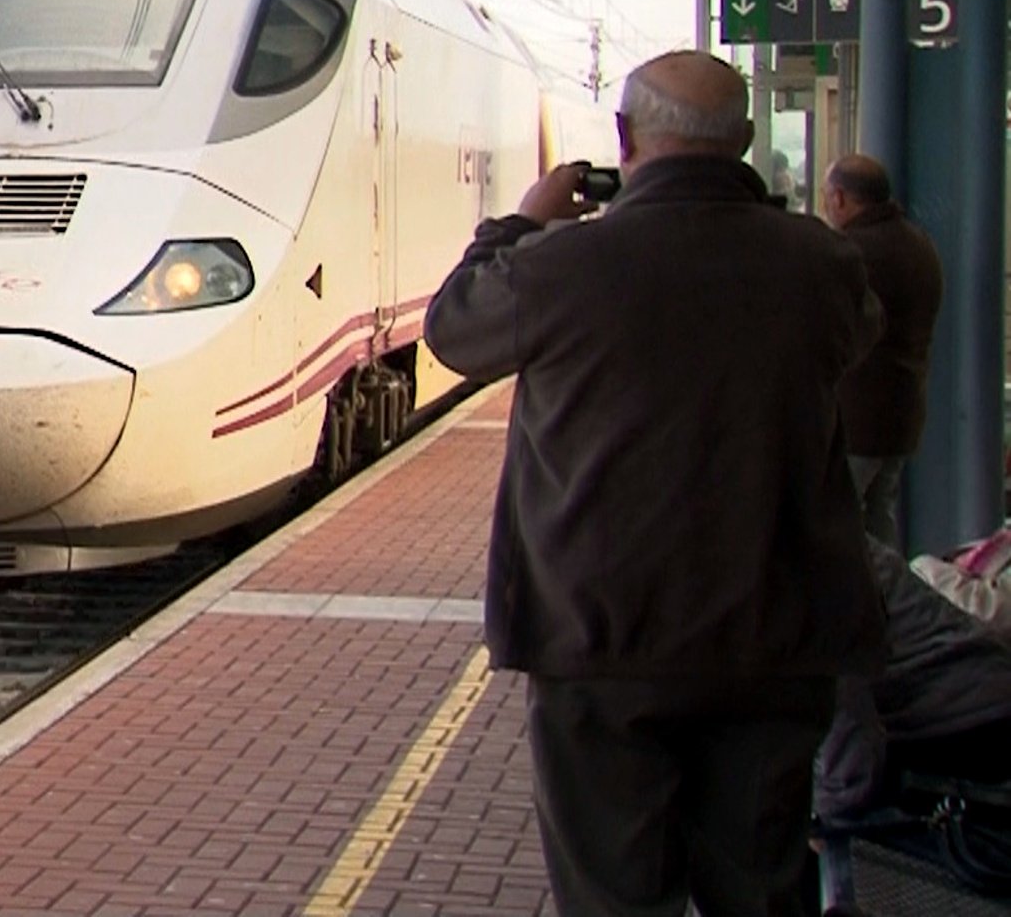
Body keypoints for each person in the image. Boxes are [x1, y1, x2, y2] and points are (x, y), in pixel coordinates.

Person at [423, 50, 885, 917]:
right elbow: (852, 339)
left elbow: (453, 331)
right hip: (777, 639)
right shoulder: (821, 264)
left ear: (626, 139)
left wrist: (517, 225)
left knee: (612, 895)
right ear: (746, 142)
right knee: (762, 887)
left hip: (603, 643)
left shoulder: (561, 268)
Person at [819, 541, 1011, 897]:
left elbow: (849, 777)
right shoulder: (814, 534)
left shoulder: (800, 565)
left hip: (970, 735)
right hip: (964, 709)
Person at [822, 154, 944, 549]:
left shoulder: (851, 253)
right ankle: (887, 605)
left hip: (857, 419)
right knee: (878, 519)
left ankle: (857, 608)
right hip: (902, 414)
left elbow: (828, 330)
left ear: (840, 198)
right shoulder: (919, 243)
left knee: (837, 523)